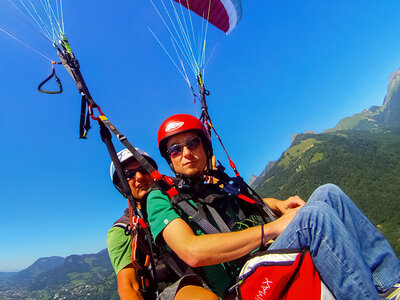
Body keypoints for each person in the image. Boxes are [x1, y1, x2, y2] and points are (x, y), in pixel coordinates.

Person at [146, 113, 400, 300]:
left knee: (328, 193)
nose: (186, 153)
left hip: (262, 261)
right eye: (176, 149)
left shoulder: (212, 184)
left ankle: (389, 285)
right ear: (169, 160)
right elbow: (192, 251)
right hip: (240, 287)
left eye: (192, 143)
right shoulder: (160, 199)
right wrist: (274, 228)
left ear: (204, 146)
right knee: (313, 217)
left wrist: (278, 204)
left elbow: (243, 204)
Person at [107, 148, 158, 300]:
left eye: (143, 169)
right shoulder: (122, 231)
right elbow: (128, 288)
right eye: (129, 175)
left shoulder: (179, 202)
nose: (139, 177)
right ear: (122, 187)